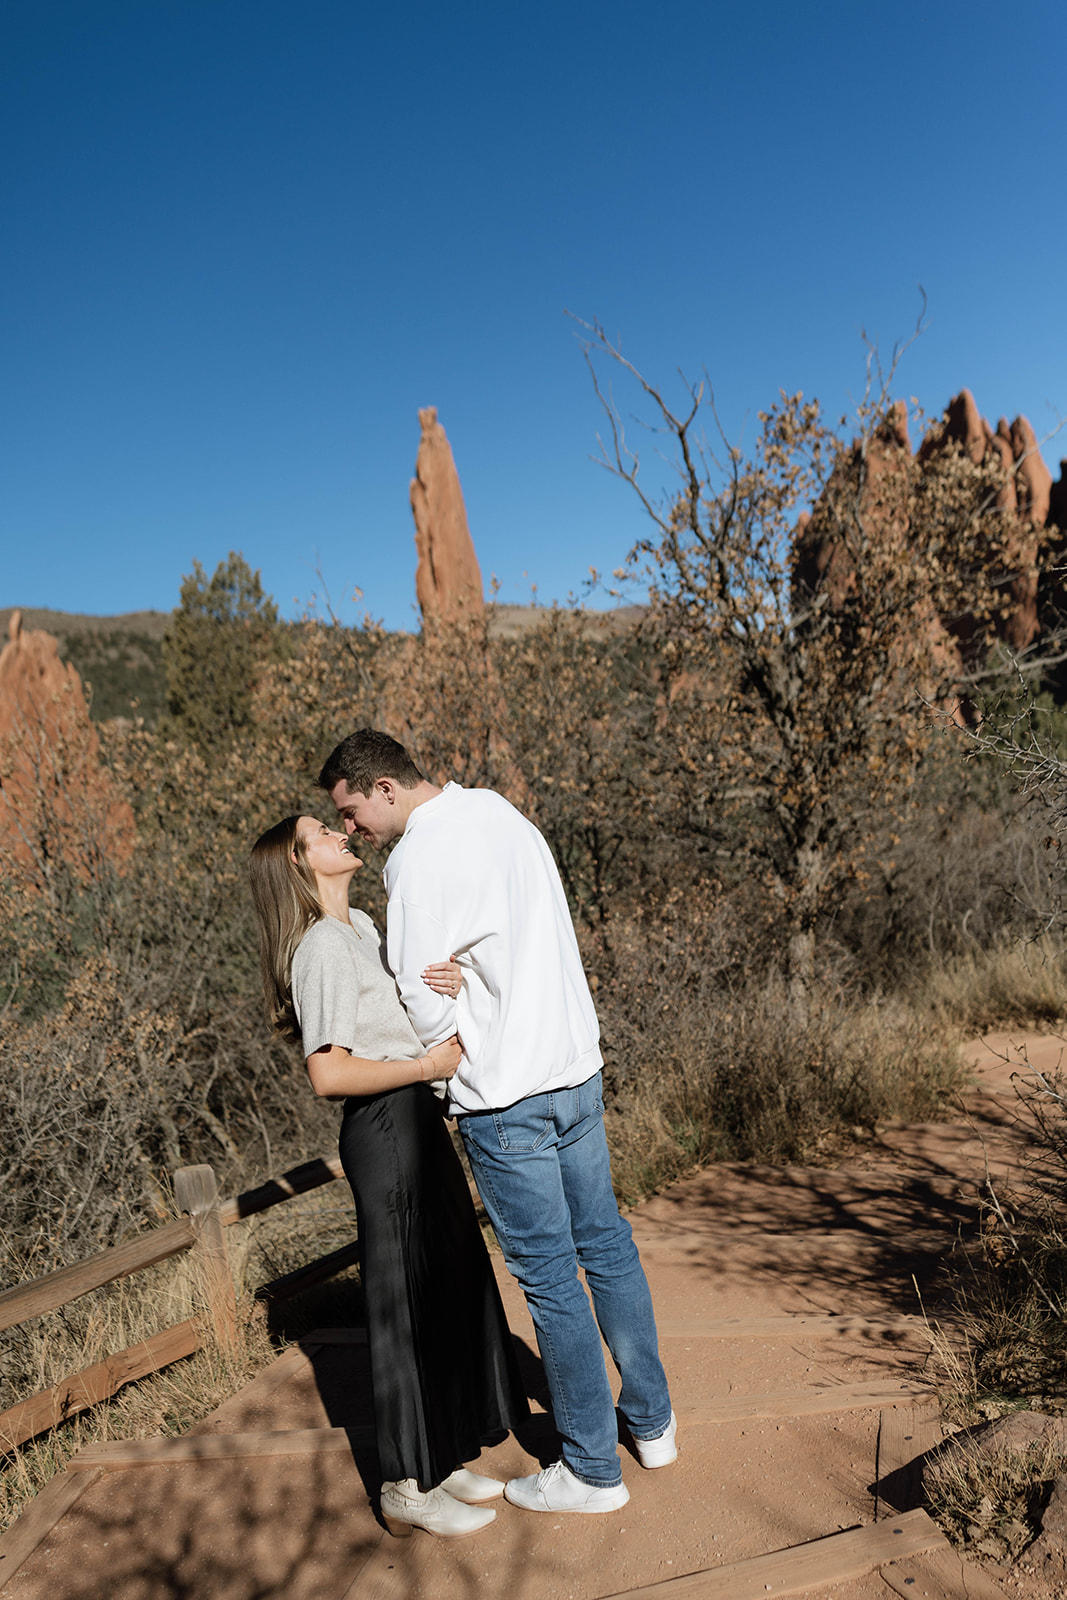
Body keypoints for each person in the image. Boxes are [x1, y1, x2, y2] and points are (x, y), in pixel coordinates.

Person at [320, 729, 675, 1516]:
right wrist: (467, 974)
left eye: (350, 811)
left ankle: (589, 1471)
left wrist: (447, 1038)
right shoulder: (498, 811)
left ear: (382, 787)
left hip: (506, 1096)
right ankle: (651, 1425)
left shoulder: (414, 862)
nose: (352, 830)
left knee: (550, 1281)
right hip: (573, 1068)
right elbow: (516, 937)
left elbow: (416, 991)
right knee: (607, 1246)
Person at [248, 814, 528, 1539]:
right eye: (322, 833)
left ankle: (438, 1454)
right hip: (382, 1128)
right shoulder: (318, 949)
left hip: (416, 1124)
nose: (341, 835)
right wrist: (427, 1067)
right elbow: (328, 1072)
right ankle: (404, 1483)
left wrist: (447, 983)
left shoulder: (364, 927)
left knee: (442, 1285)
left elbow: (398, 1015)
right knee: (402, 1301)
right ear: (300, 865)